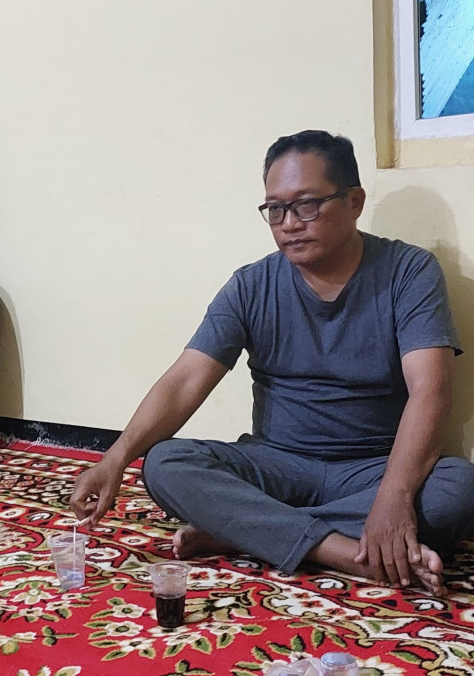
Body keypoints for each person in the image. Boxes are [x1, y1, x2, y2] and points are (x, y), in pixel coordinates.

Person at [70, 129, 474, 597]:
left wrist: (393, 498)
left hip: (372, 468)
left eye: (307, 205)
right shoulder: (251, 285)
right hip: (278, 466)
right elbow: (185, 380)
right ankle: (343, 552)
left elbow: (430, 391)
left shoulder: (409, 272)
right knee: (165, 463)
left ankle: (244, 531)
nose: (289, 223)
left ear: (354, 201)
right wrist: (115, 459)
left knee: (458, 487)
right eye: (275, 209)